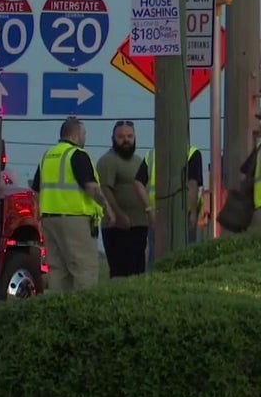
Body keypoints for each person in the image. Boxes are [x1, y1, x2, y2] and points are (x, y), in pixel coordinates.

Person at [30, 117, 115, 292]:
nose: (85, 138)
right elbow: (91, 188)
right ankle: (83, 307)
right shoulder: (77, 155)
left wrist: (38, 216)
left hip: (49, 220)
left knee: (58, 271)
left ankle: (58, 307)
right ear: (76, 135)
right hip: (76, 220)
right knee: (85, 269)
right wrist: (107, 208)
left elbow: (36, 191)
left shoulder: (47, 156)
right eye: (84, 134)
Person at [96, 120, 151, 278]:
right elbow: (105, 189)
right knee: (120, 273)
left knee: (138, 272)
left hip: (139, 225)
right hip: (117, 227)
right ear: (113, 138)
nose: (126, 140)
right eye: (121, 137)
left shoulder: (139, 161)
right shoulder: (108, 160)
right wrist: (119, 215)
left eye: (129, 136)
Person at [136, 146, 204, 268]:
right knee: (185, 258)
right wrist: (193, 212)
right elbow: (192, 184)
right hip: (182, 216)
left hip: (157, 215)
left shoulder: (151, 155)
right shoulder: (192, 153)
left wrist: (149, 210)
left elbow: (138, 182)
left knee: (156, 259)